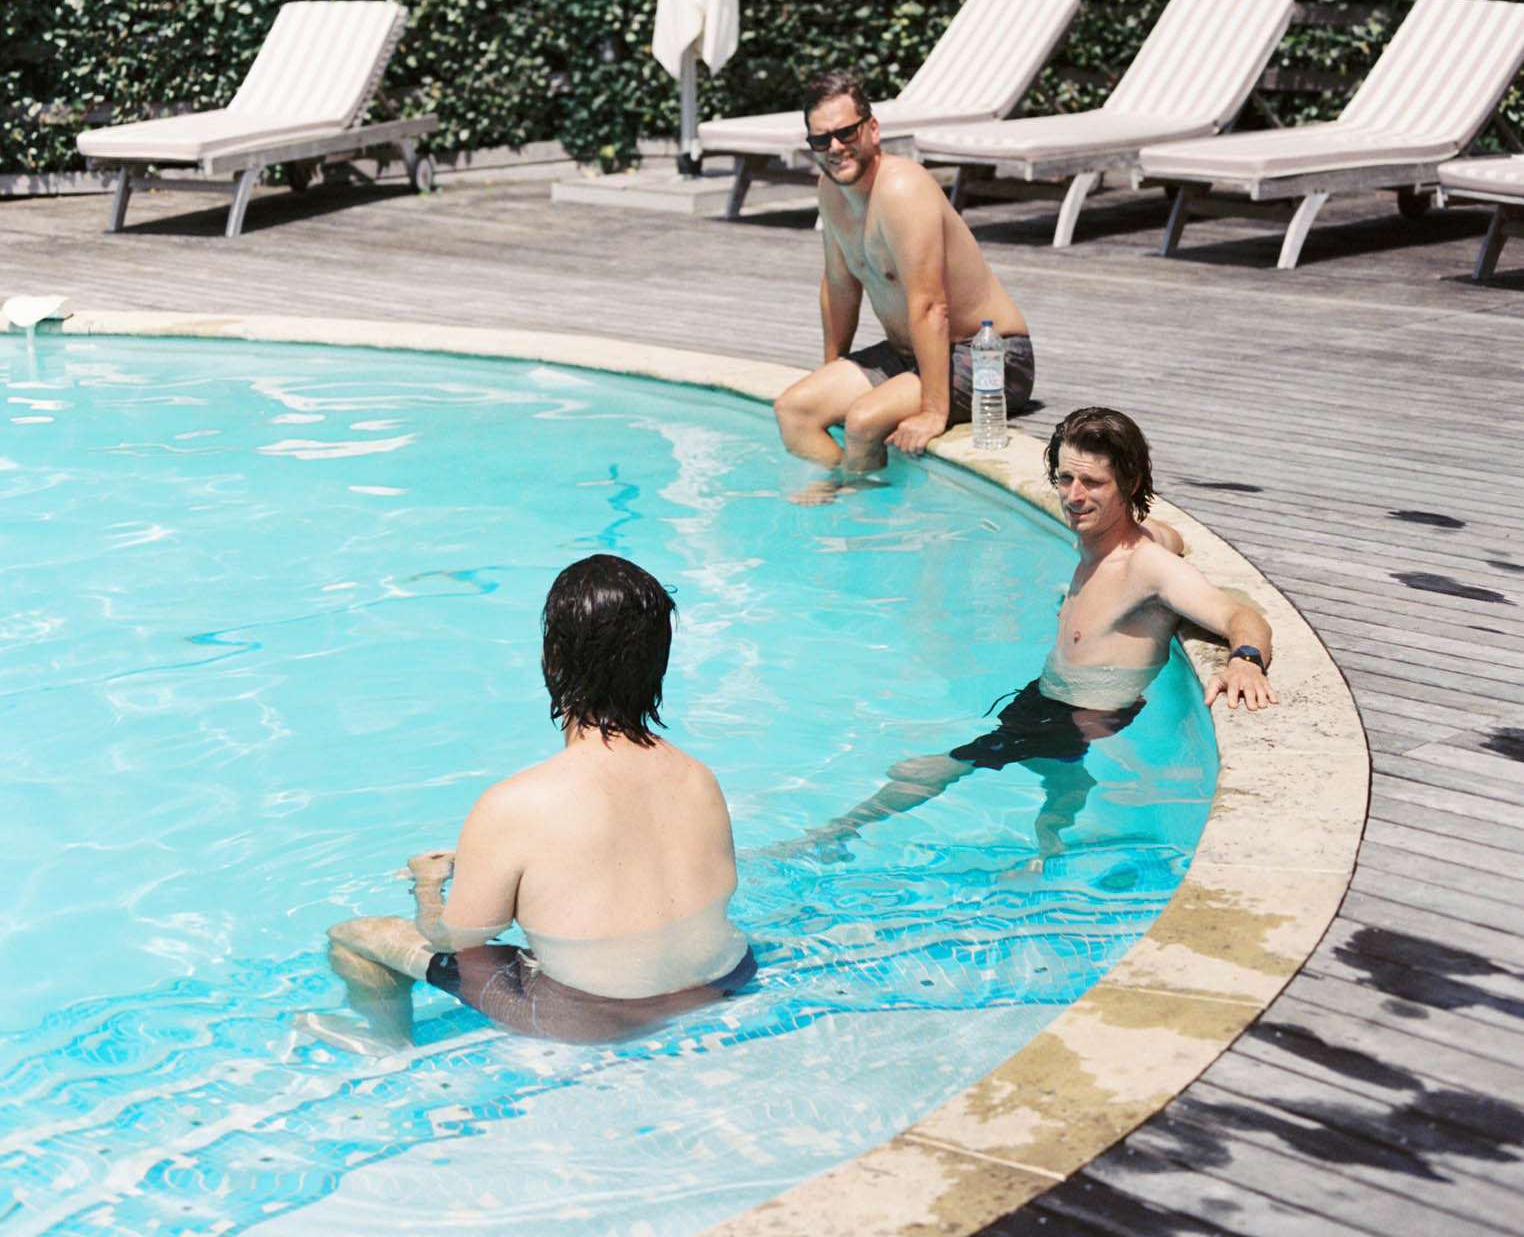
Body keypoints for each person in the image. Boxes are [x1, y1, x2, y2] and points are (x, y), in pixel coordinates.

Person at [785, 407, 1274, 861]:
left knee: (932, 768)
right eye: (1065, 478)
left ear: (1129, 482)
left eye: (1092, 482)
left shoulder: (1148, 567)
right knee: (1059, 786)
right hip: (1048, 699)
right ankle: (1049, 850)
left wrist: (1245, 658)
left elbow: (1241, 615)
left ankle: (833, 837)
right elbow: (1167, 534)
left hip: (1085, 714)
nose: (1073, 496)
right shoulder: (1113, 544)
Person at [306, 555, 753, 1051]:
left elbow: (456, 941)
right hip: (721, 983)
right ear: (659, 663)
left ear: (553, 661)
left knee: (355, 936)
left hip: (591, 1018)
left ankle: (389, 1053)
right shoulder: (698, 777)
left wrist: (427, 885)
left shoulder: (514, 805)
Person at [773, 68, 1035, 501]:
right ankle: (855, 486)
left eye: (846, 133)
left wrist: (934, 411)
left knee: (862, 420)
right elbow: (839, 285)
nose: (835, 148)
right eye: (821, 140)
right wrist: (832, 367)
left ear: (872, 129)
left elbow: (932, 306)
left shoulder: (902, 187)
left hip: (988, 355)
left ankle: (861, 504)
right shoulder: (831, 190)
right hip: (908, 354)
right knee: (794, 411)